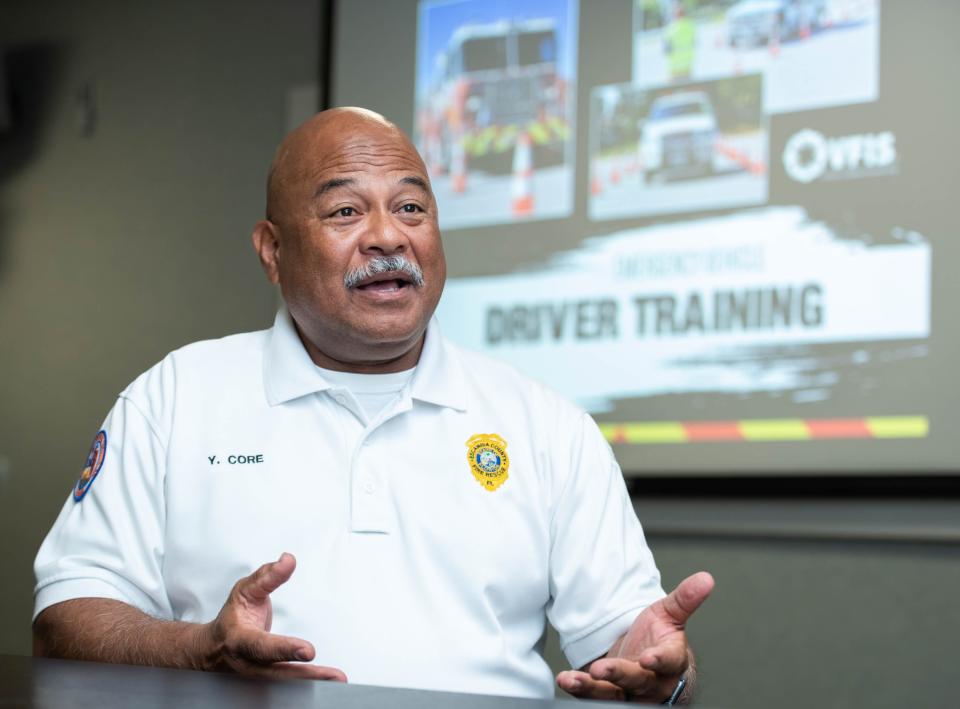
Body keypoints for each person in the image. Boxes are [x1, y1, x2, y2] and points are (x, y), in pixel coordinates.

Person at [32, 107, 714, 703]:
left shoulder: (546, 425)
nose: (389, 237)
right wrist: (201, 649)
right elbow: (66, 617)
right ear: (272, 250)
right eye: (346, 211)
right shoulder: (175, 396)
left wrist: (660, 671)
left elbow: (627, 649)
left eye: (411, 208)